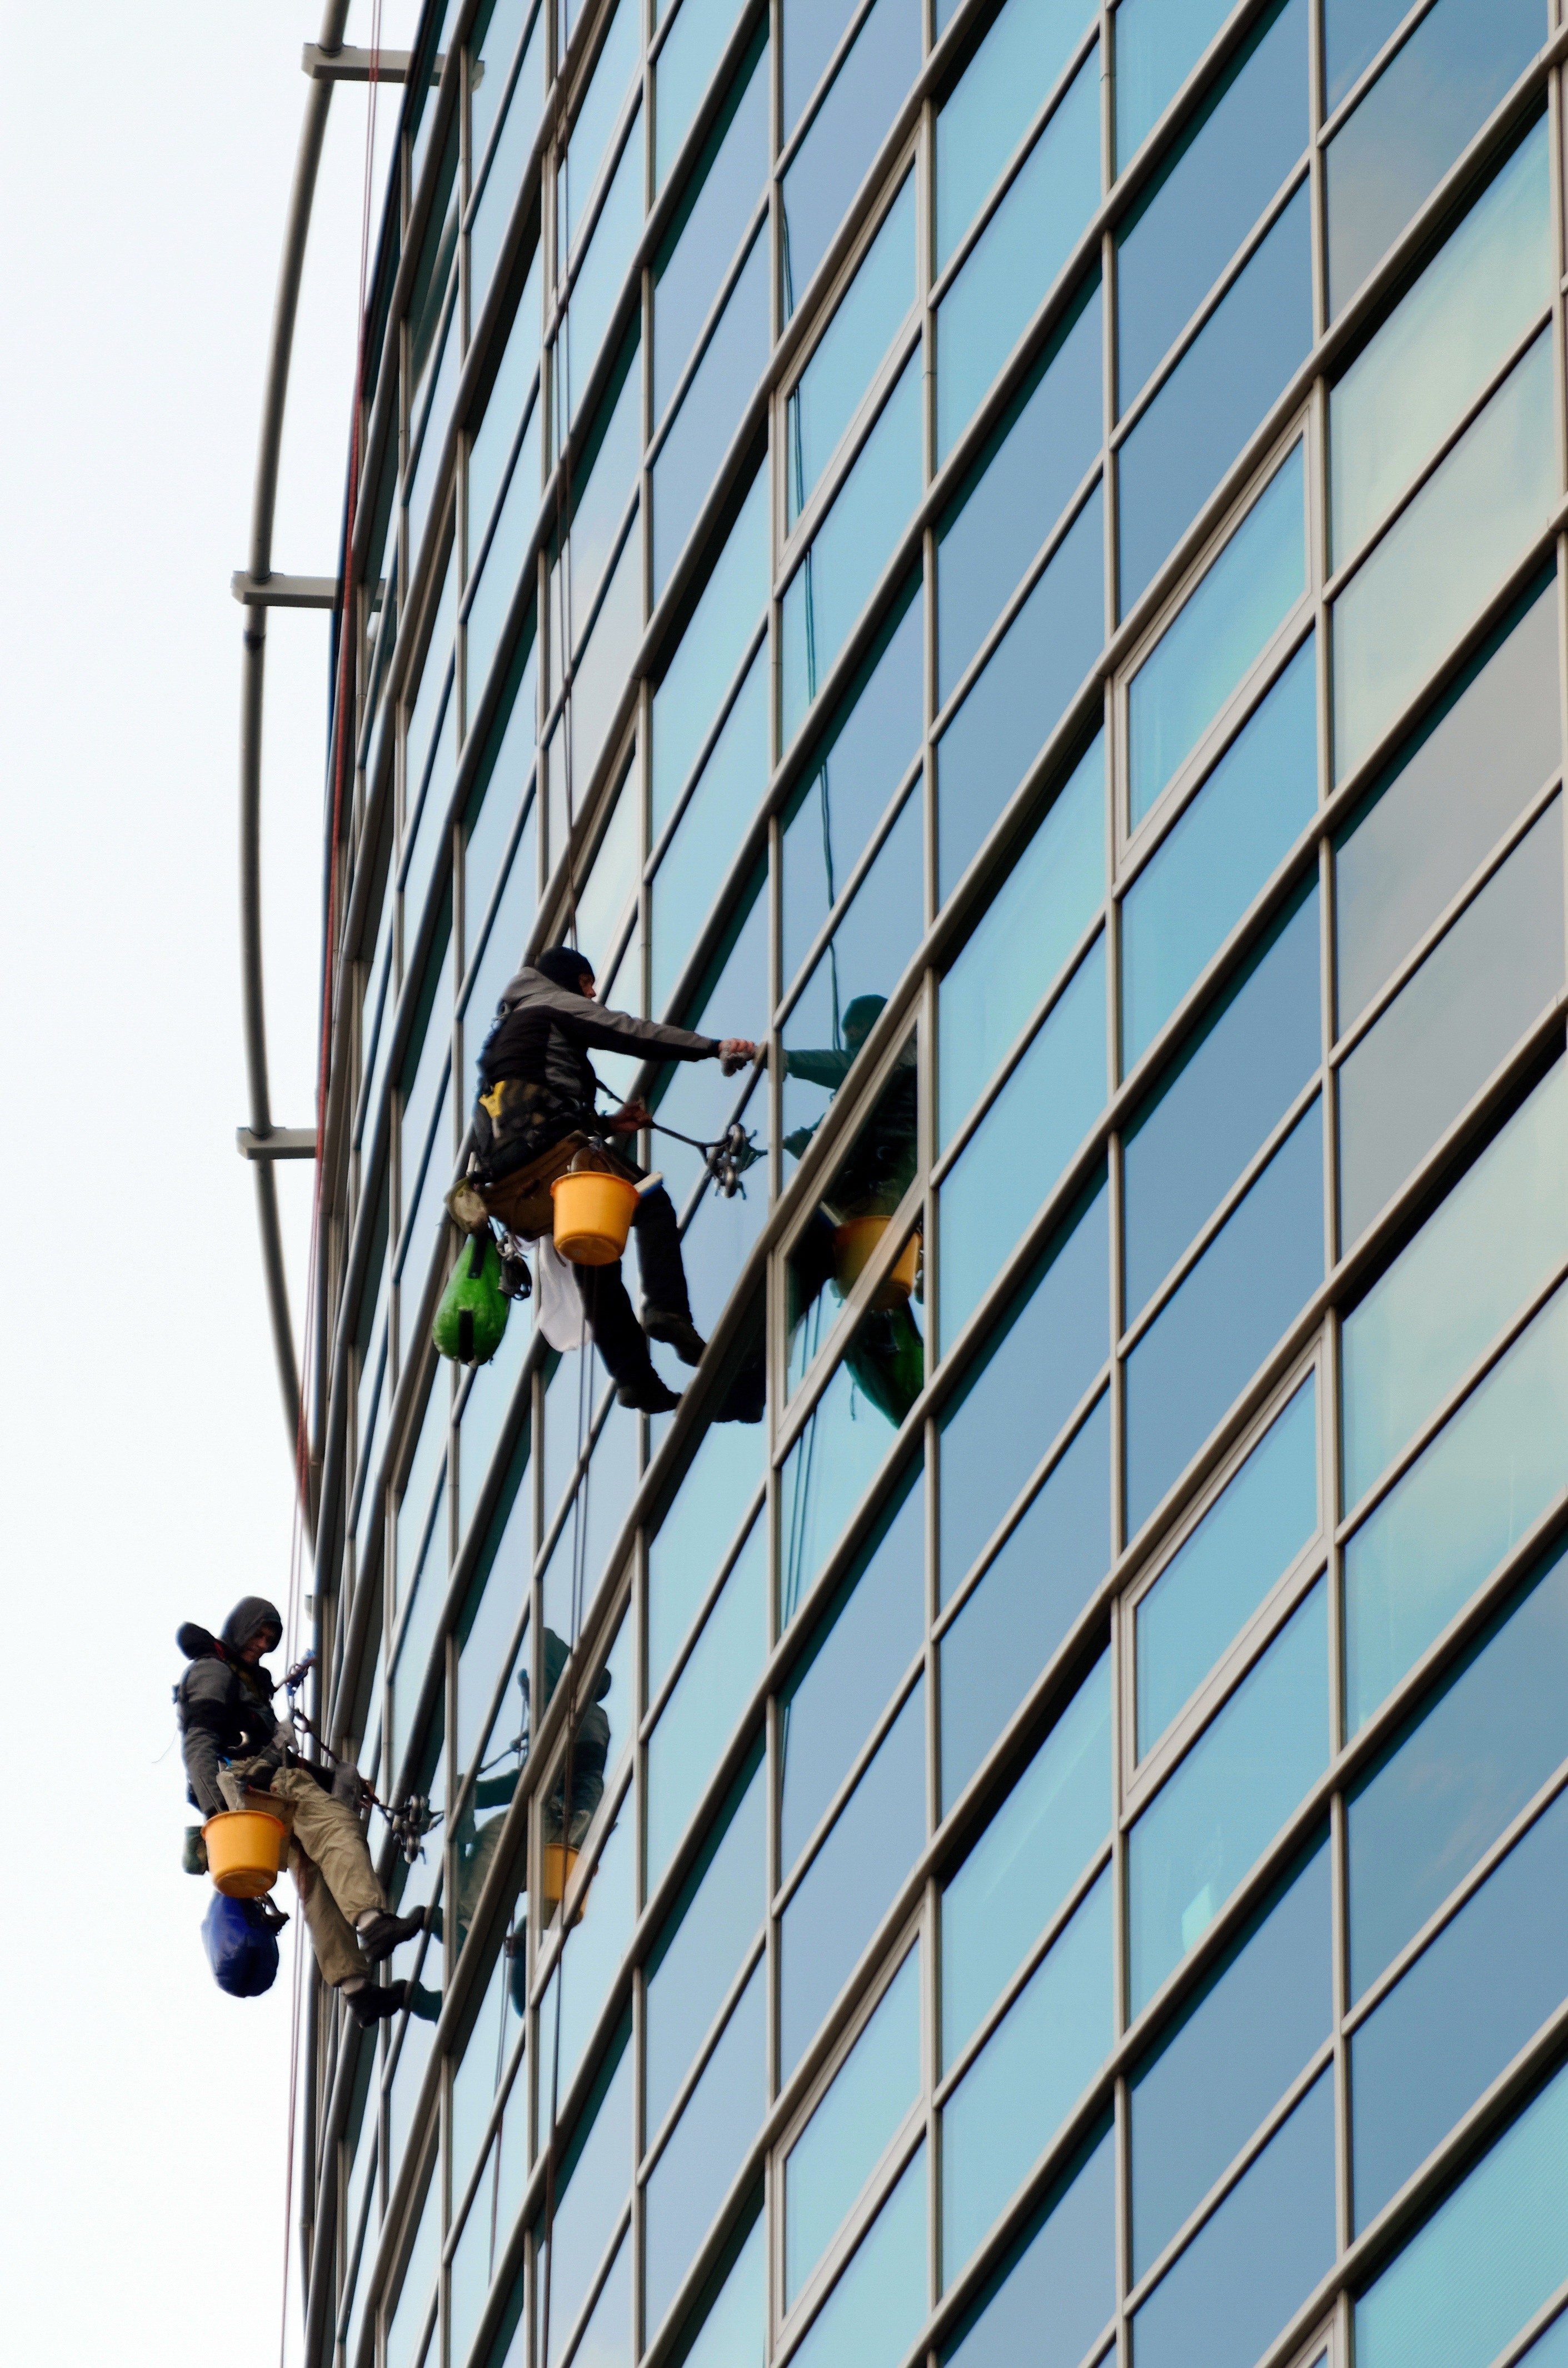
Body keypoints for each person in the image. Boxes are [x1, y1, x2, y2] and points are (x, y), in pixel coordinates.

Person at [472, 945, 758, 1412]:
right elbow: (628, 1032)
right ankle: (667, 1311)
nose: (593, 993)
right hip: (555, 1155)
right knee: (649, 1200)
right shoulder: (551, 1003)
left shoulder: (509, 1030)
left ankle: (634, 1379)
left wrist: (608, 1124)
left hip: (514, 1179)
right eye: (588, 983)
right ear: (569, 979)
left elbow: (524, 1105)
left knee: (594, 1252)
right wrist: (713, 1048)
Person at [176, 1598, 425, 2025]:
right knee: (335, 1829)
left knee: (315, 1878)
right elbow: (200, 1741)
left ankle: (357, 1990)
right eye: (257, 1635)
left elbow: (267, 1753)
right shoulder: (213, 1671)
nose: (262, 1645)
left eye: (269, 1640)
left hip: (261, 1799)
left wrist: (330, 1778)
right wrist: (219, 1812)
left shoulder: (240, 1681)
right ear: (239, 1631)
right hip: (262, 1790)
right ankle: (373, 1922)